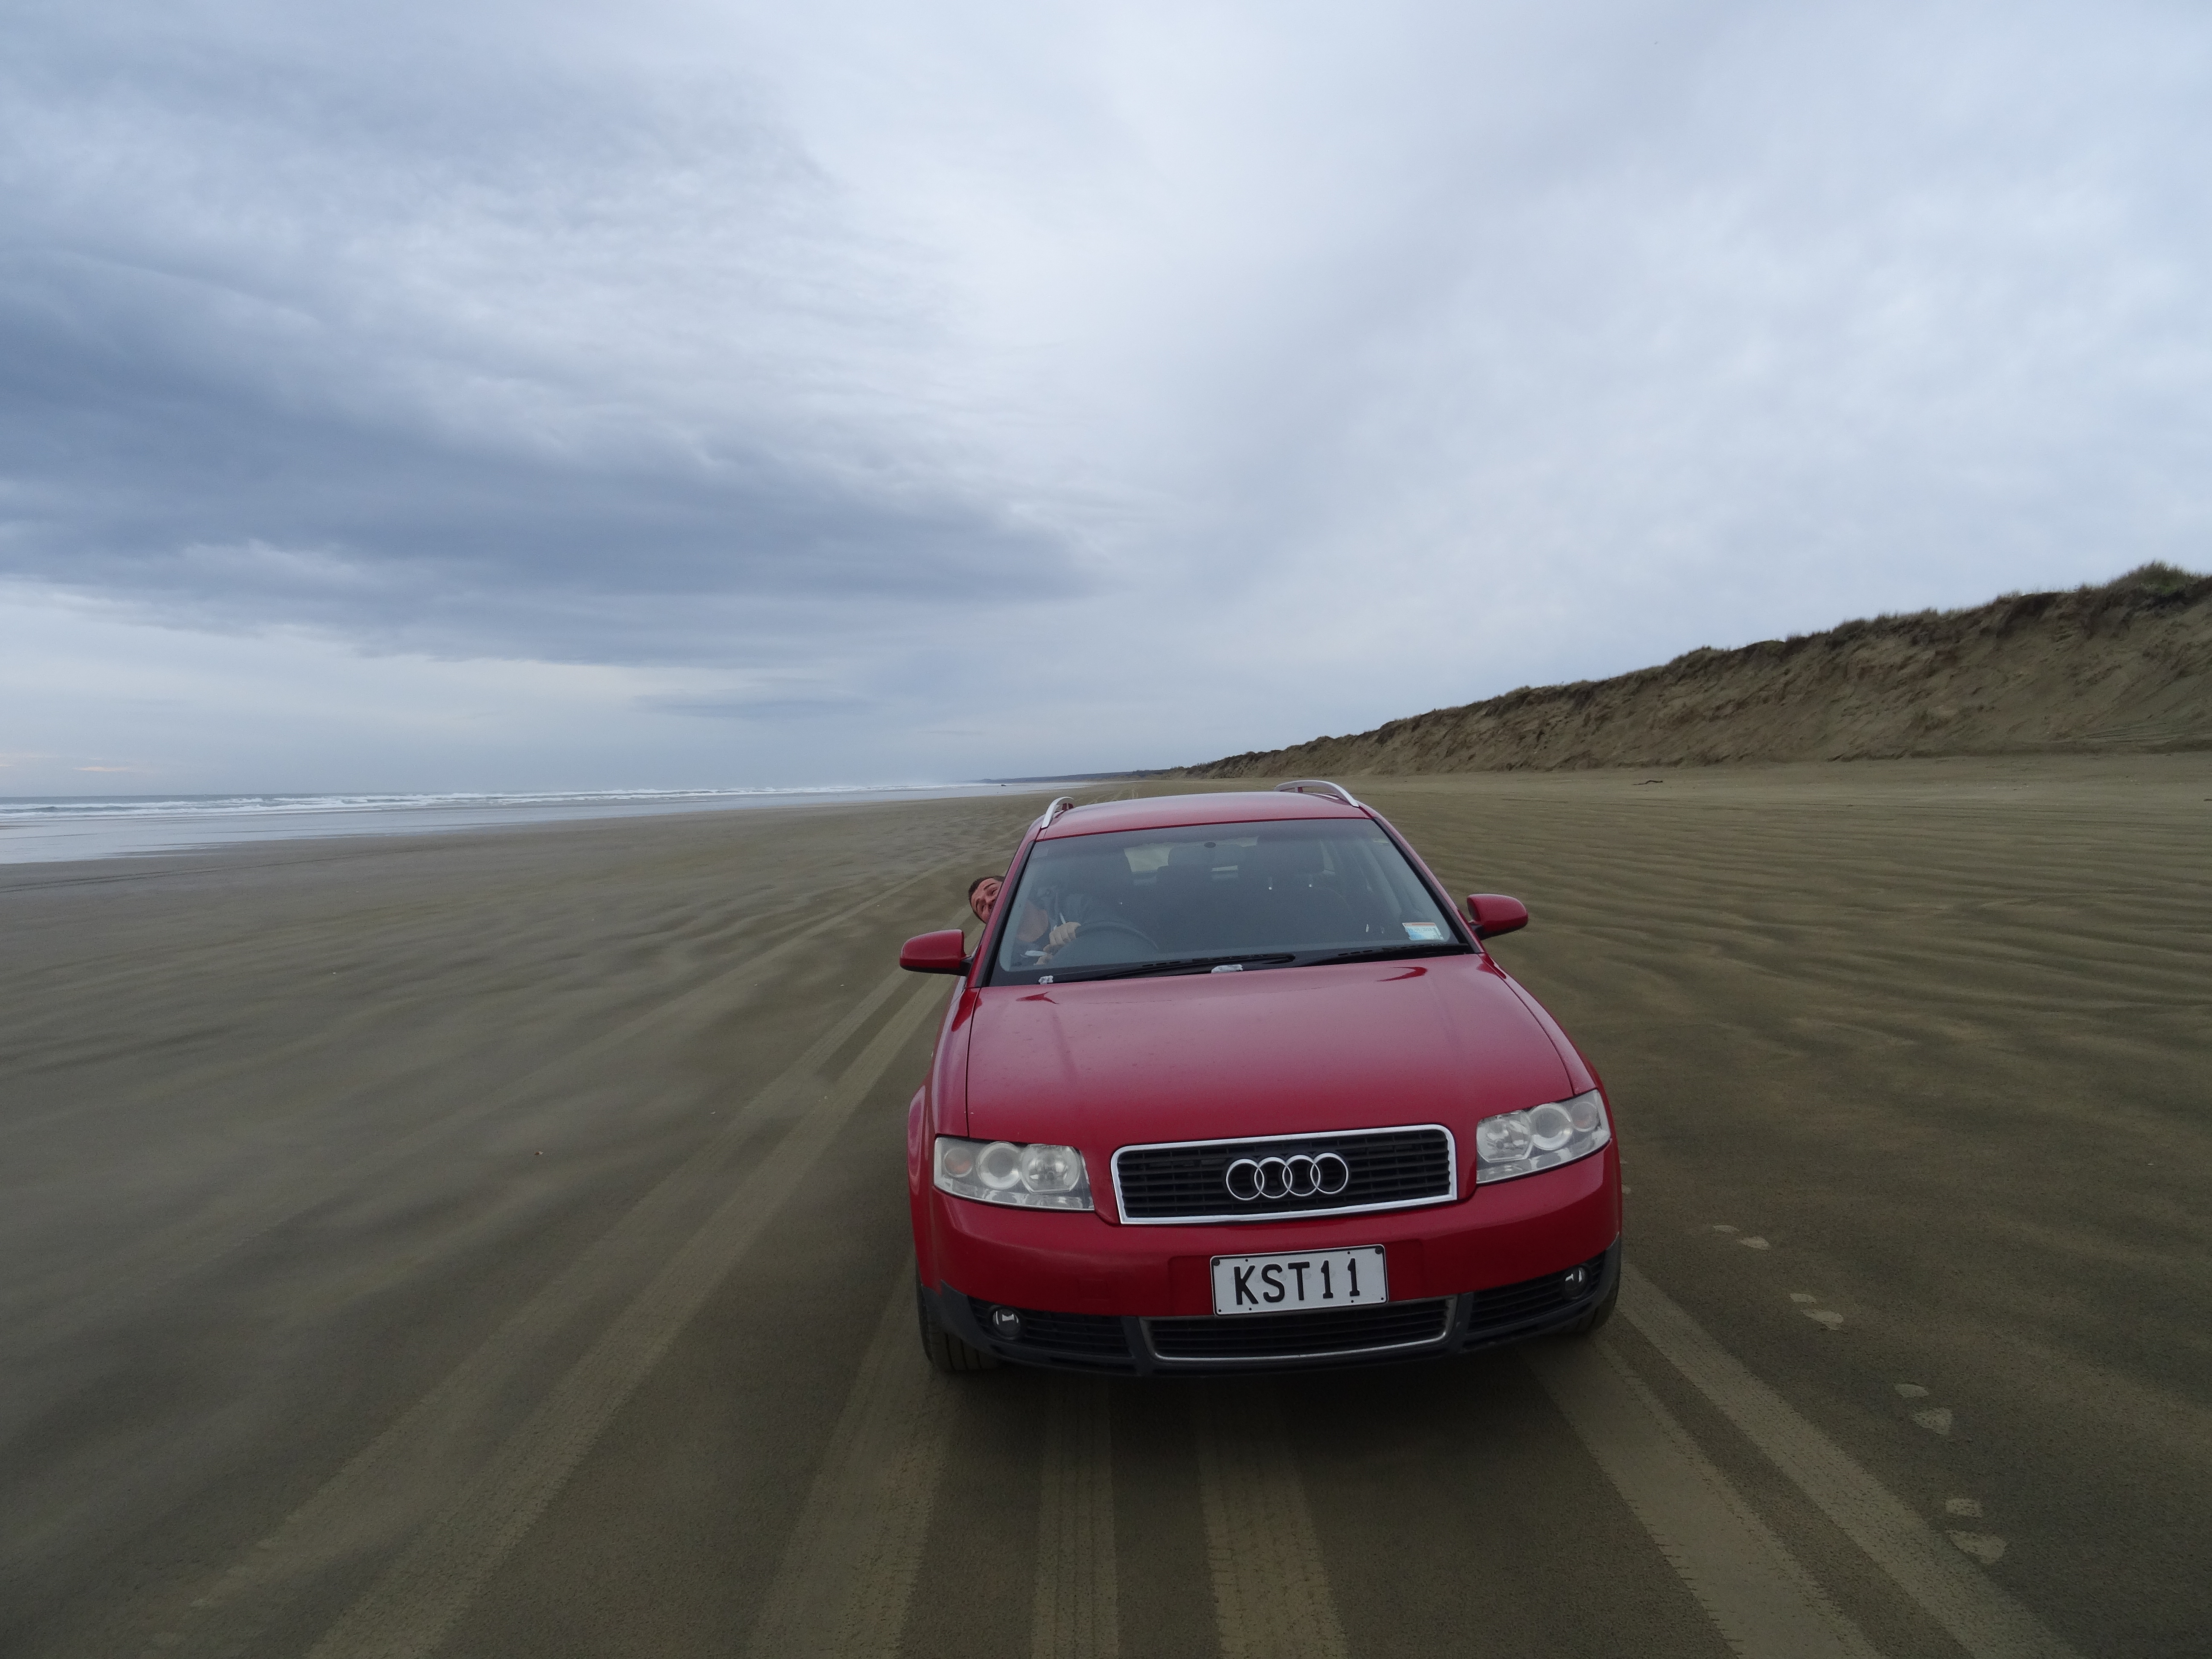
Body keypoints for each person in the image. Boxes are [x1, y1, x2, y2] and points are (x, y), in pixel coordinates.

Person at [968, 873, 1080, 963]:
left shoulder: (1074, 907)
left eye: (993, 891)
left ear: (1017, 887)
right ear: (986, 923)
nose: (989, 901)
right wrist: (1036, 974)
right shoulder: (999, 962)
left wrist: (1081, 931)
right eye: (982, 907)